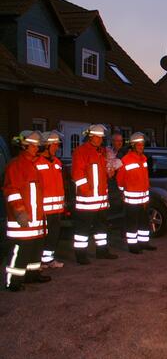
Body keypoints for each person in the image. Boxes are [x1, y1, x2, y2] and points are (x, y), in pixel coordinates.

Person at [4, 130, 51, 291]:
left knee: (35, 249)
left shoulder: (33, 164)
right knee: (20, 251)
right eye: (33, 146)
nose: (37, 148)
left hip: (36, 219)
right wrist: (19, 211)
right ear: (24, 146)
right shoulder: (16, 165)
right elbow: (11, 190)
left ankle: (32, 275)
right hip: (22, 220)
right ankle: (13, 282)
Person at [72, 124, 118, 264]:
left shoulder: (102, 152)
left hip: (101, 200)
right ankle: (80, 256)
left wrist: (110, 172)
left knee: (101, 228)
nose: (100, 140)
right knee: (83, 230)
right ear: (90, 137)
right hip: (87, 201)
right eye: (97, 137)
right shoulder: (81, 151)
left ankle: (102, 251)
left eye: (101, 138)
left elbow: (103, 174)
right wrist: (87, 192)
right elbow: (77, 175)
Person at [116, 132, 155, 254]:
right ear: (133, 146)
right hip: (131, 199)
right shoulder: (126, 160)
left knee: (144, 222)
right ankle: (132, 246)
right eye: (138, 145)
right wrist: (123, 191)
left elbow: (145, 178)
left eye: (142, 145)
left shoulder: (143, 158)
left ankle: (144, 243)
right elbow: (120, 179)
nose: (141, 147)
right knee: (132, 223)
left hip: (143, 198)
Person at [35, 131, 65, 269]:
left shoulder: (57, 162)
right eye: (54, 145)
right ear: (46, 146)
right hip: (42, 209)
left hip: (56, 209)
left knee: (53, 235)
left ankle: (48, 260)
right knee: (41, 237)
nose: (57, 147)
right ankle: (38, 261)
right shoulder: (36, 162)